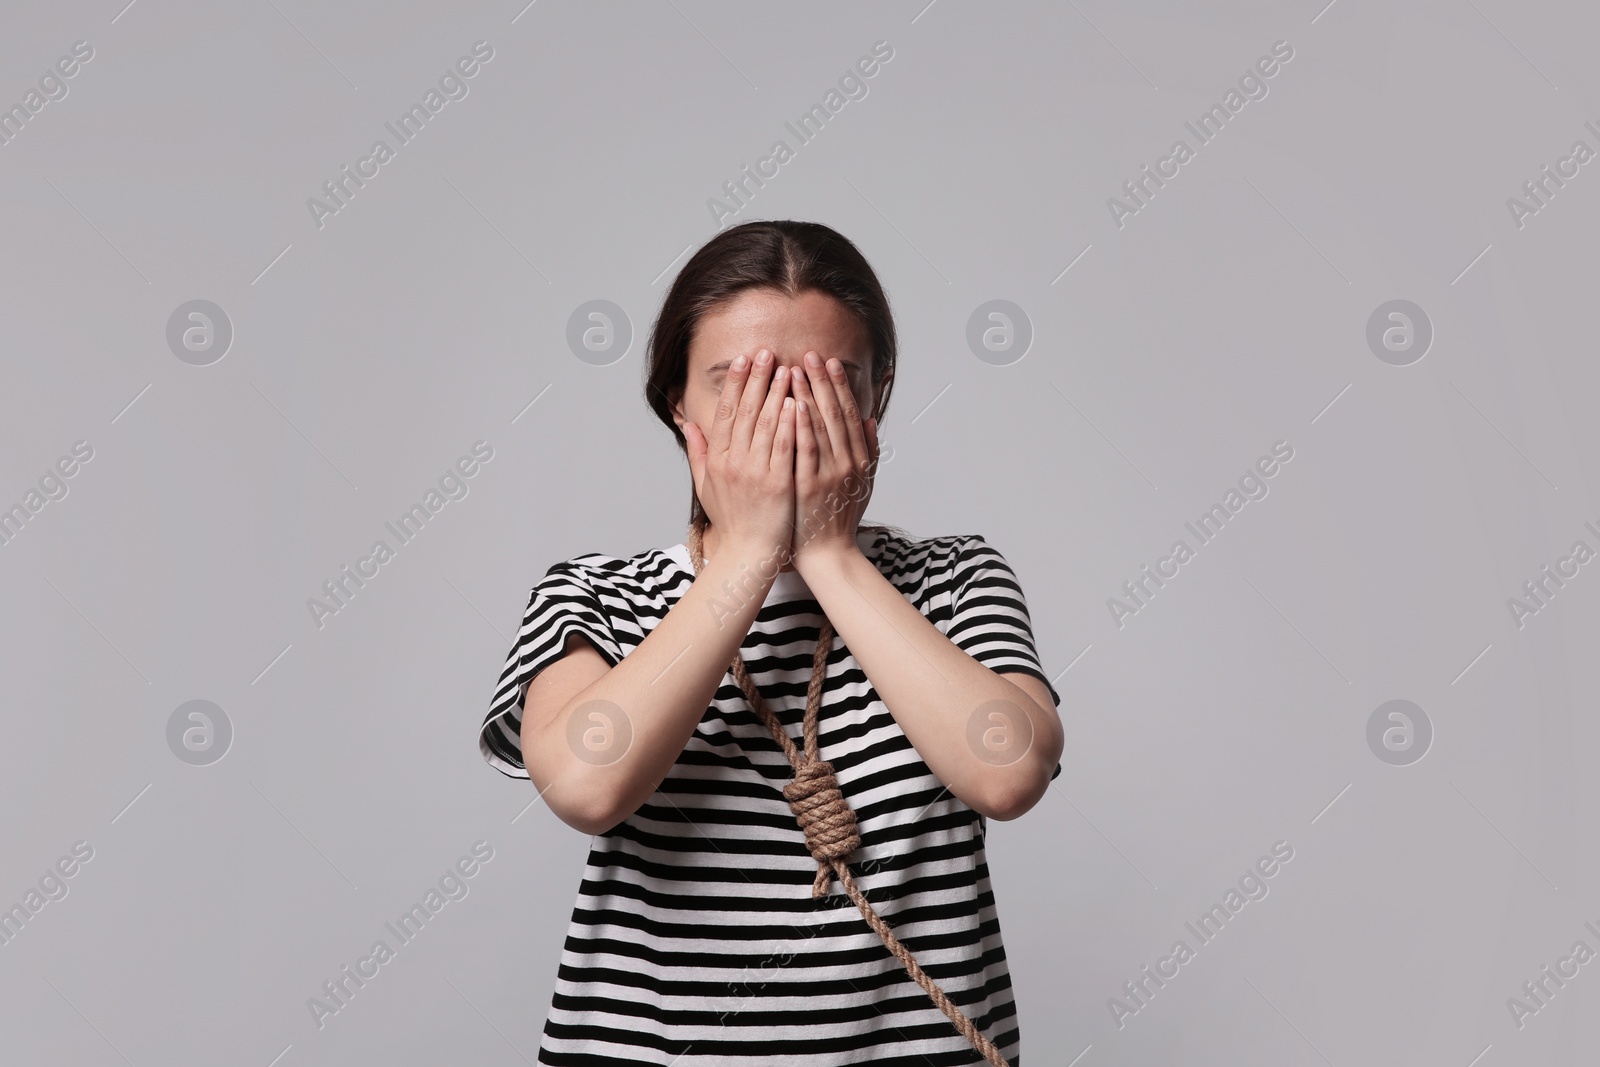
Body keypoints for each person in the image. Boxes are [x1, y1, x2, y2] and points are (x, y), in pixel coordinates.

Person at [479, 219, 1064, 1065]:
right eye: (737, 385)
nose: (783, 417)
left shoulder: (956, 579)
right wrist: (748, 553)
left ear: (877, 398)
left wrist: (826, 550)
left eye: (823, 383)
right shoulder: (595, 595)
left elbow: (1008, 769)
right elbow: (584, 783)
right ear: (677, 402)